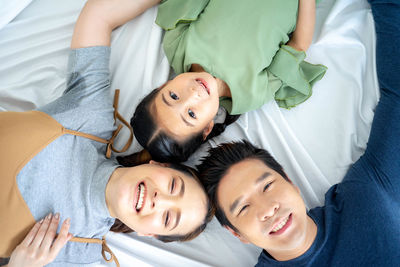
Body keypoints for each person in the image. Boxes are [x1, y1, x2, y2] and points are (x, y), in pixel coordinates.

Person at [0, 0, 212, 266]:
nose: (161, 200)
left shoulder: (80, 256)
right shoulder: (91, 120)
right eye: (172, 185)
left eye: (168, 218)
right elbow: (98, 17)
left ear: (148, 233)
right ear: (159, 164)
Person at [197, 0, 400, 265]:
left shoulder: (366, 196)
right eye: (244, 208)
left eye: (268, 186)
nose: (268, 209)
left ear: (290, 182)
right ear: (237, 234)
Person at [123, 0, 327, 164]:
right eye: (191, 114)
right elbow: (298, 45)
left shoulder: (177, 45)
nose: (193, 94)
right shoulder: (250, 94)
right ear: (207, 128)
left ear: (162, 87)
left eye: (174, 96)